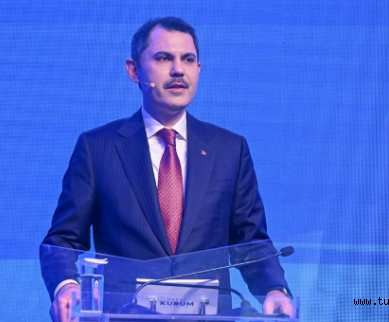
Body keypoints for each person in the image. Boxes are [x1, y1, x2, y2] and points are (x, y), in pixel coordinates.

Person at [40, 17, 295, 322]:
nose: (178, 70)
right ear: (133, 70)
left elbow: (250, 241)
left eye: (188, 59)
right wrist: (67, 286)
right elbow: (62, 241)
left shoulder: (230, 149)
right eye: (163, 58)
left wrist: (274, 289)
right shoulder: (97, 148)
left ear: (198, 69)